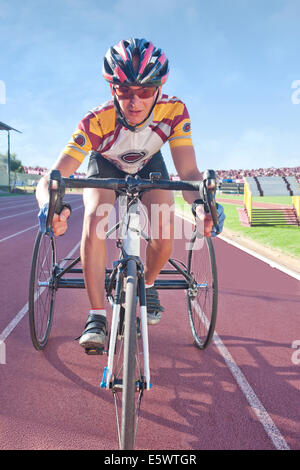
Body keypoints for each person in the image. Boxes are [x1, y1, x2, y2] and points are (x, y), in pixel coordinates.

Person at [36, 38, 225, 351]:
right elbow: (52, 178)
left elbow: (190, 175)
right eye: (124, 91)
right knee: (96, 218)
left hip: (151, 162)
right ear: (113, 89)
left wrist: (203, 207)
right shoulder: (95, 121)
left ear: (159, 90)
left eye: (145, 92)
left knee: (165, 231)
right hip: (106, 164)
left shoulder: (175, 111)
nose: (134, 102)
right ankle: (97, 314)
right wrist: (49, 206)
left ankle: (147, 284)